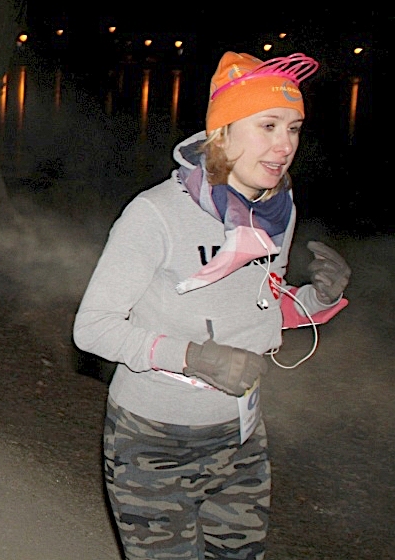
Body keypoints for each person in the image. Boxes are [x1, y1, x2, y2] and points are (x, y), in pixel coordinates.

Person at [73, 50, 353, 559]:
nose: (285, 145)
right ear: (222, 132)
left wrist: (318, 299)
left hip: (242, 434)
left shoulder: (276, 210)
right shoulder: (156, 213)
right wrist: (192, 357)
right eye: (268, 126)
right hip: (154, 439)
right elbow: (93, 328)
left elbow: (259, 307)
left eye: (293, 128)